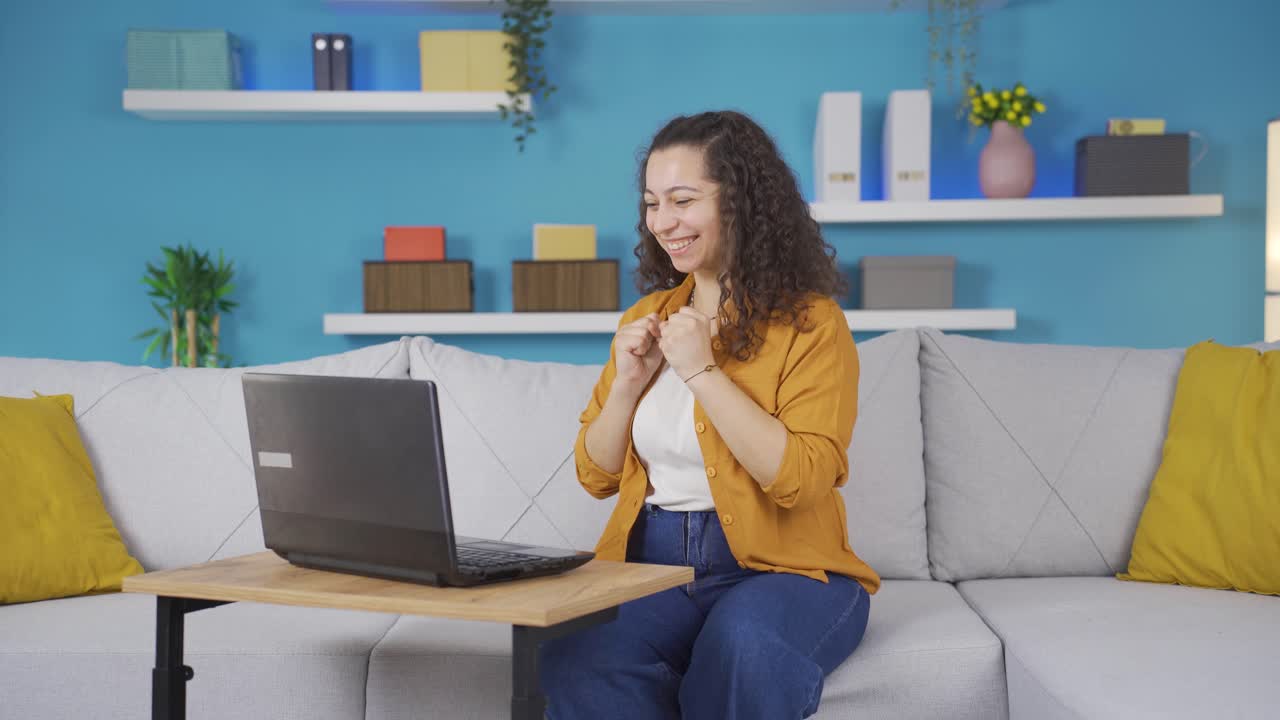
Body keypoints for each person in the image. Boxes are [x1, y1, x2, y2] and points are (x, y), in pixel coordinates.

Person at [539, 110, 880, 720]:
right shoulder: (646, 315)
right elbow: (595, 477)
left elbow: (803, 478)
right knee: (578, 648)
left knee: (743, 645)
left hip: (786, 571)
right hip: (653, 564)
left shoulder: (811, 323)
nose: (662, 222)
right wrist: (626, 387)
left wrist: (702, 372)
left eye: (682, 200)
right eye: (651, 203)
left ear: (741, 203)